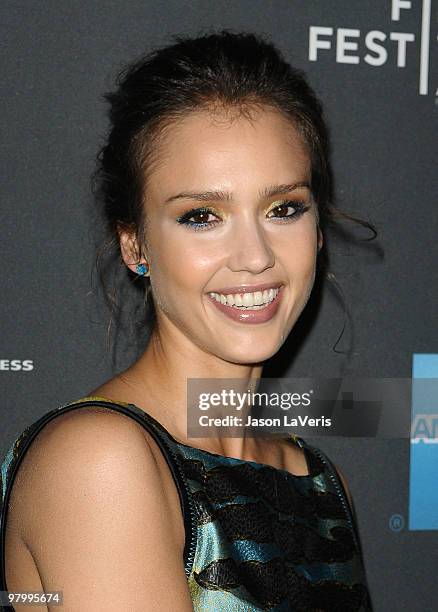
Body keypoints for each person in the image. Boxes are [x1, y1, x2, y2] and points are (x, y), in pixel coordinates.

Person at [0, 30, 375, 611]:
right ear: (135, 245)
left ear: (318, 229)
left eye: (284, 209)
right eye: (202, 215)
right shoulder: (99, 462)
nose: (255, 256)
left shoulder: (323, 485)